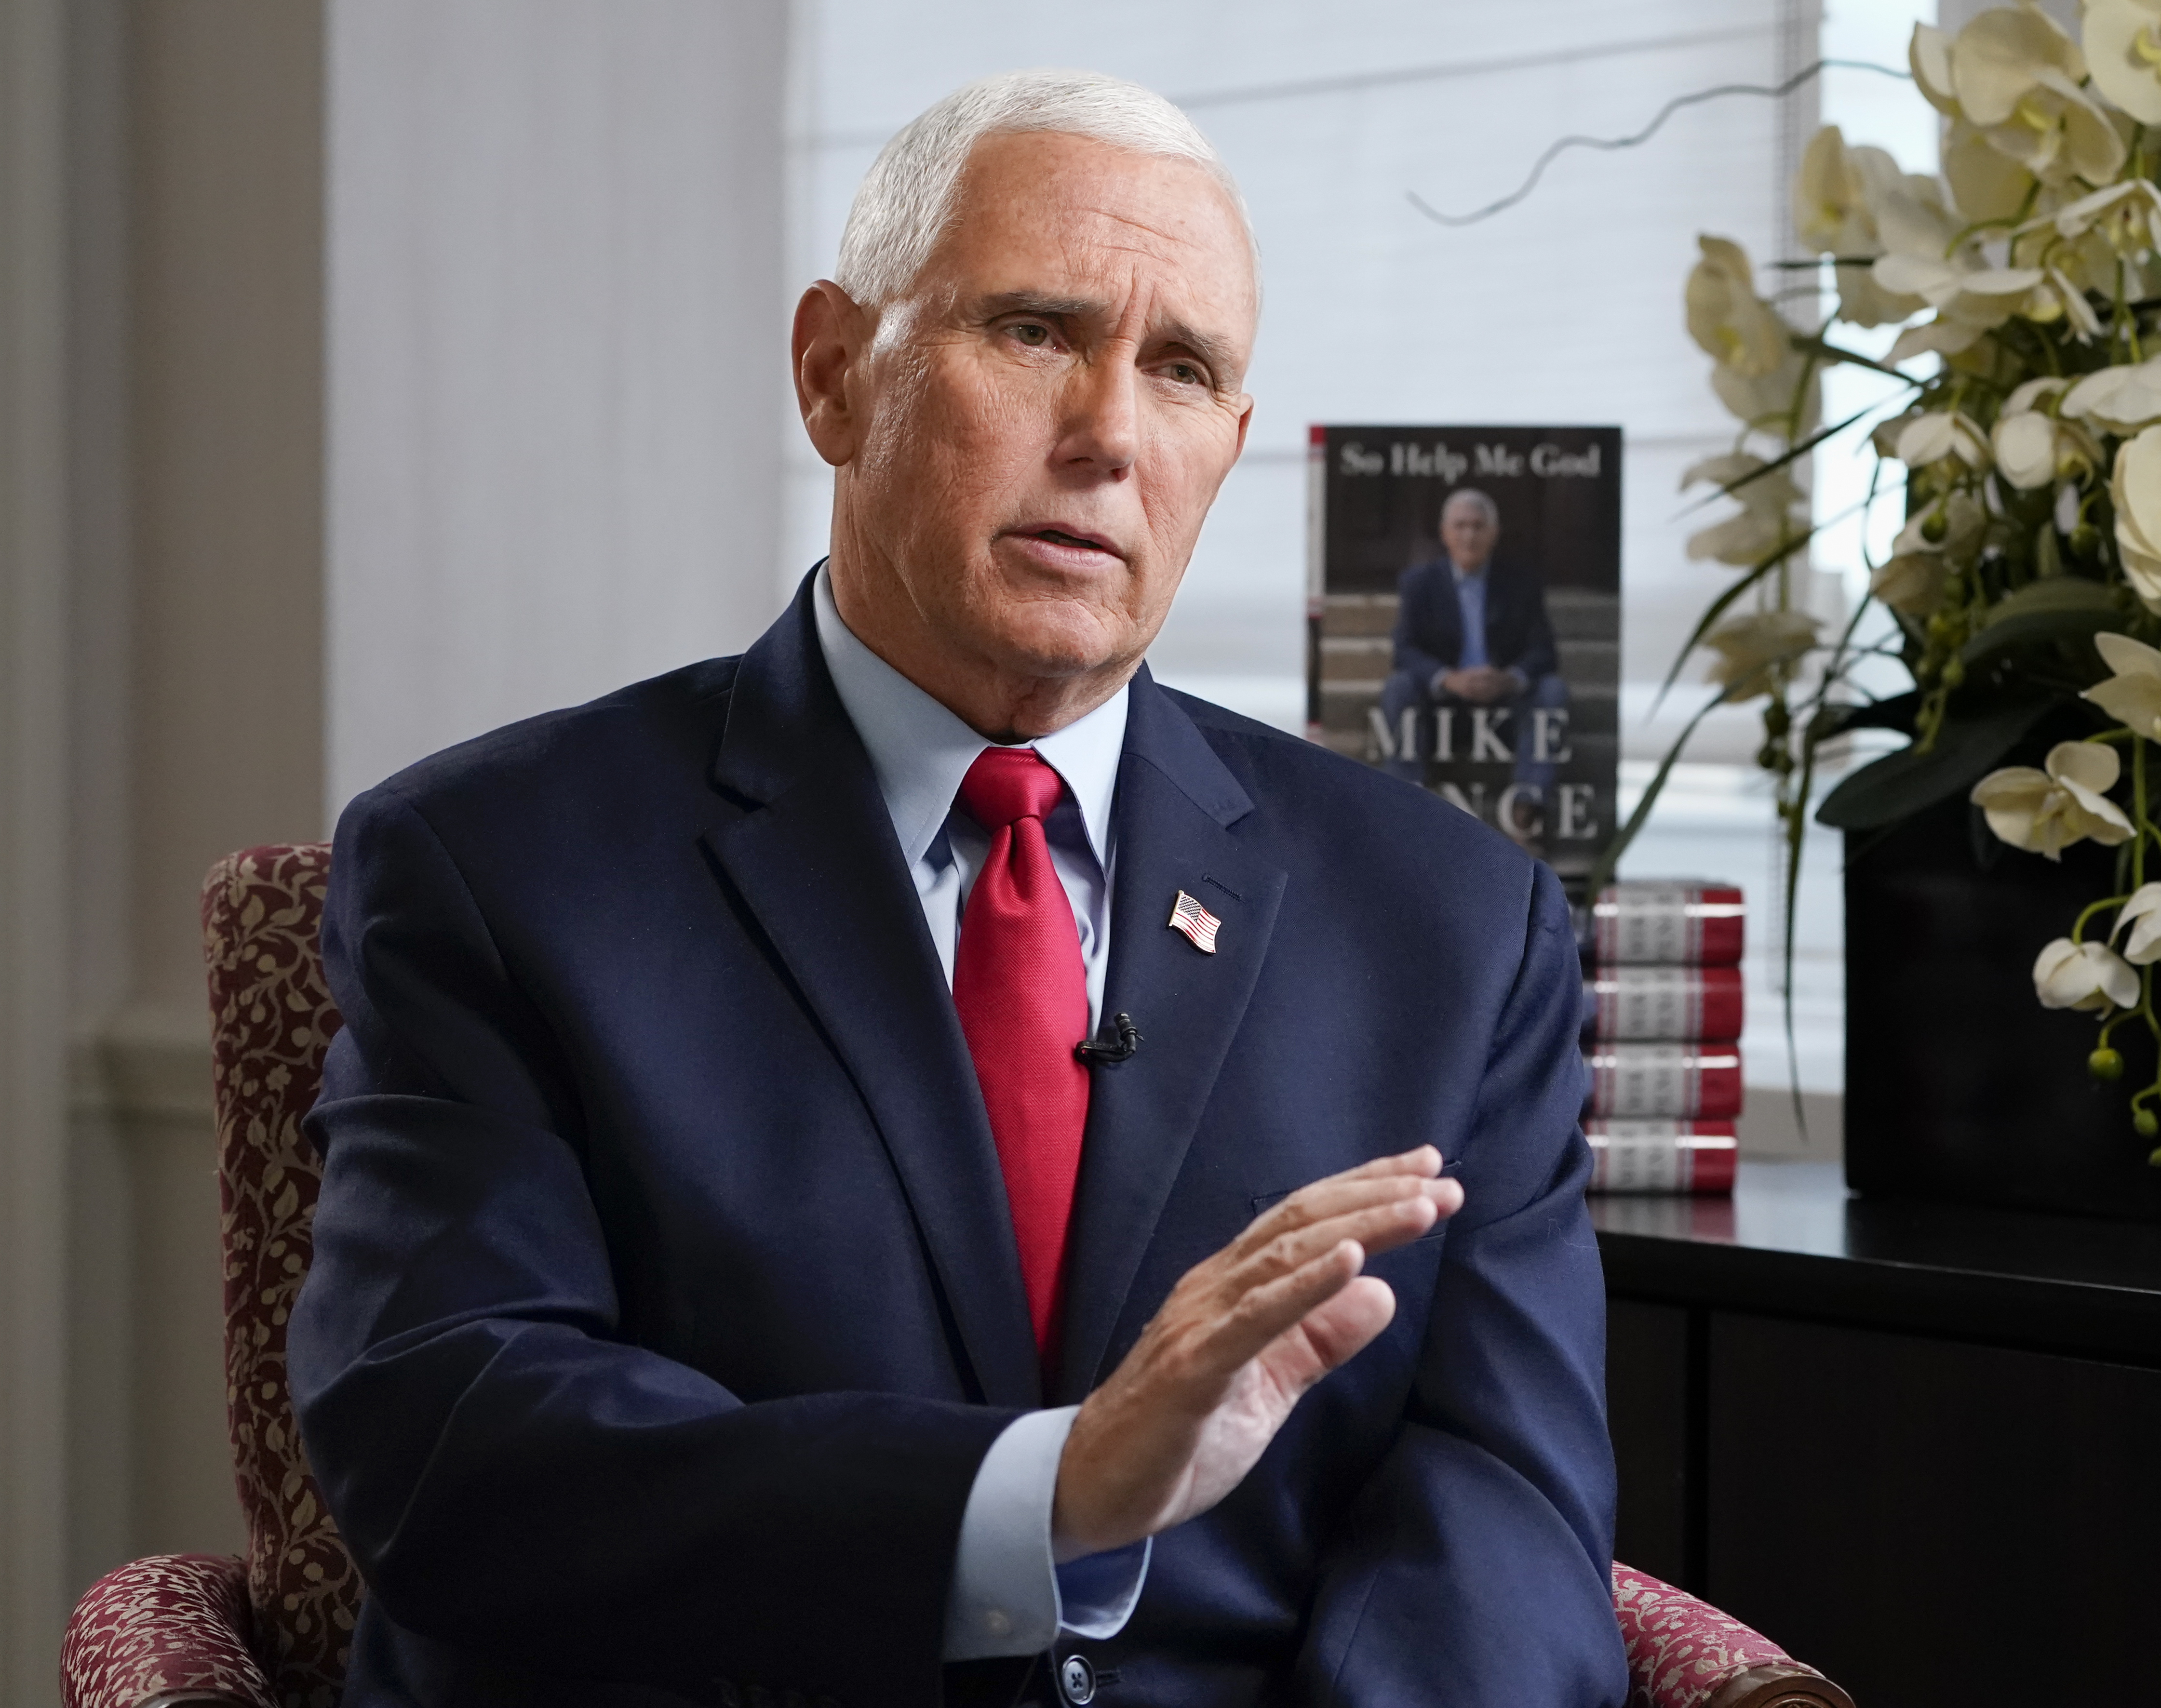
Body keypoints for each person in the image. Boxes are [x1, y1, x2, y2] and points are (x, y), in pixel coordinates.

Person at [290, 70, 1623, 1708]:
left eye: (1182, 371)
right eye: (1038, 333)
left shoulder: (1450, 926)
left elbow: (1502, 1500)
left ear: (1229, 447)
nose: (1109, 435)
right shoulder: (499, 865)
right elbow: (455, 1444)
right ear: (834, 376)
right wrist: (1039, 1501)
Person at [1378, 489, 1570, 825]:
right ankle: (1403, 800)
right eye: (1461, 526)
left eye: (1479, 526)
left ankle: (1529, 805)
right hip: (1442, 706)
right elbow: (1404, 651)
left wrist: (1508, 678)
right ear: (1445, 533)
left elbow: (1544, 652)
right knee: (1400, 687)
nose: (1469, 535)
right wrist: (1448, 678)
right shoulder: (1420, 583)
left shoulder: (1521, 583)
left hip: (1506, 706)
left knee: (1551, 690)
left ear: (1494, 534)